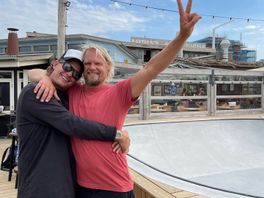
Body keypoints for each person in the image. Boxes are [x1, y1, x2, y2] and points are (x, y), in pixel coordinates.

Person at [31, 0, 201, 197]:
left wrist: (182, 37)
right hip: (81, 187)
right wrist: (46, 77)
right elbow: (31, 72)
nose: (92, 67)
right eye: (87, 63)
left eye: (98, 63)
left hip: (114, 188)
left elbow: (151, 68)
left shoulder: (119, 92)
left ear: (108, 67)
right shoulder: (74, 90)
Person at [17, 49, 130, 198]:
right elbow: (72, 124)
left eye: (76, 74)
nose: (70, 74)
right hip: (39, 189)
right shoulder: (35, 92)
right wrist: (115, 133)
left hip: (67, 188)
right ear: (56, 63)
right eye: (68, 67)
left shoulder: (65, 97)